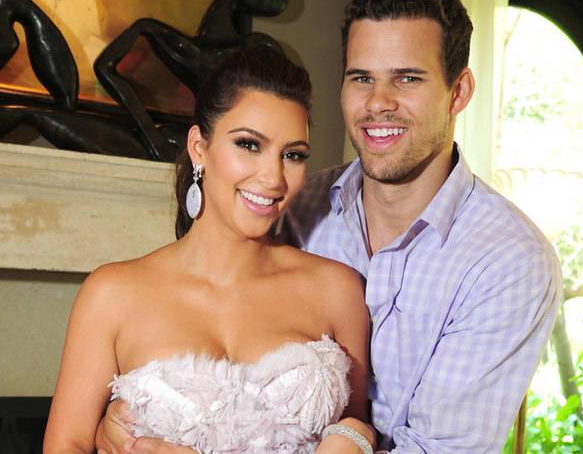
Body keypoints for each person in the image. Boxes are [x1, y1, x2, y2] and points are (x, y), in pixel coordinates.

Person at [97, 0, 561, 453]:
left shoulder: (508, 261)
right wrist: (118, 428)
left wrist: (355, 436)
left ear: (459, 92)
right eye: (361, 78)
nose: (378, 103)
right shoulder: (289, 205)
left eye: (407, 78)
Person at [43, 46, 374, 454]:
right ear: (199, 147)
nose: (273, 177)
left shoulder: (337, 290)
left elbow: (357, 427)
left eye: (292, 155)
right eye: (249, 145)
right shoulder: (110, 294)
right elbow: (67, 445)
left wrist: (357, 436)